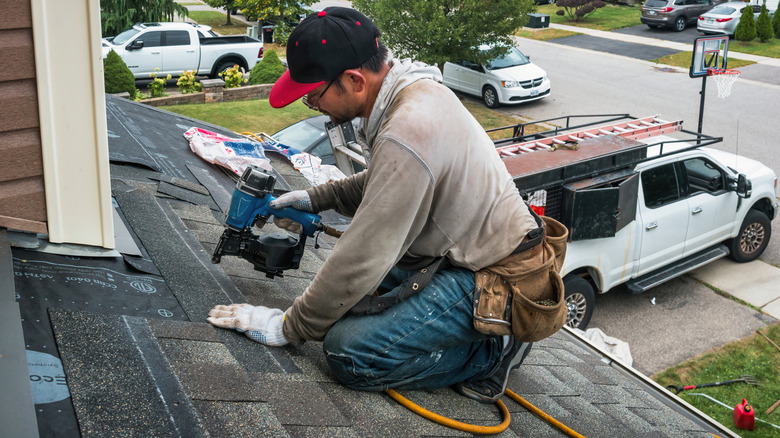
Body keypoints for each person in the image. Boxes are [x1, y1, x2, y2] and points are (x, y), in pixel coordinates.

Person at [207, 6, 540, 403]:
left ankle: (489, 352)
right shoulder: (409, 94)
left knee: (348, 351)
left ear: (353, 80)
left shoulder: (408, 130)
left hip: (495, 274)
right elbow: (382, 183)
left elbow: (363, 255)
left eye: (313, 97)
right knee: (343, 307)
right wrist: (315, 197)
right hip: (456, 253)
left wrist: (286, 326)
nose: (314, 107)